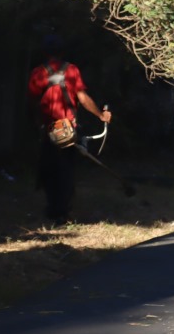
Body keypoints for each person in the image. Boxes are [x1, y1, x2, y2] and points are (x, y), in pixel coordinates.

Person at [27, 35, 112, 223]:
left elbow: (32, 102)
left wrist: (37, 125)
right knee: (65, 171)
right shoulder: (71, 70)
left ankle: (53, 210)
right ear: (63, 52)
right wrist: (100, 115)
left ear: (44, 53)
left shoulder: (38, 73)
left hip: (49, 131)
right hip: (68, 131)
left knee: (49, 171)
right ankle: (63, 212)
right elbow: (83, 98)